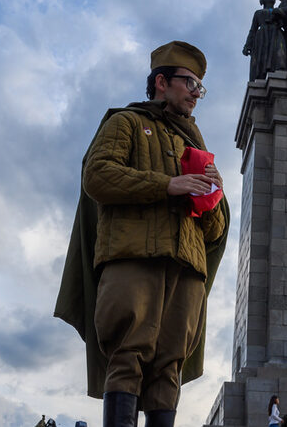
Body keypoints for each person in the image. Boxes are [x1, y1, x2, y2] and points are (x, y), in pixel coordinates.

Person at [54, 41, 231, 427]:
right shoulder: (127, 123)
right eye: (191, 84)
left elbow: (213, 232)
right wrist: (169, 185)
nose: (197, 94)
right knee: (128, 355)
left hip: (186, 271)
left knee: (169, 369)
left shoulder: (195, 146)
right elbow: (97, 176)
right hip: (133, 259)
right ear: (162, 82)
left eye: (201, 87)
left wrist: (214, 197)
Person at [243, 0, 287, 81]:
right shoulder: (258, 13)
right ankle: (260, 76)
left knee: (280, 55)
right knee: (261, 59)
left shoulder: (280, 9)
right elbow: (253, 30)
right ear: (264, 0)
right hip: (262, 37)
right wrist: (247, 45)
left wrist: (281, 13)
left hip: (277, 34)